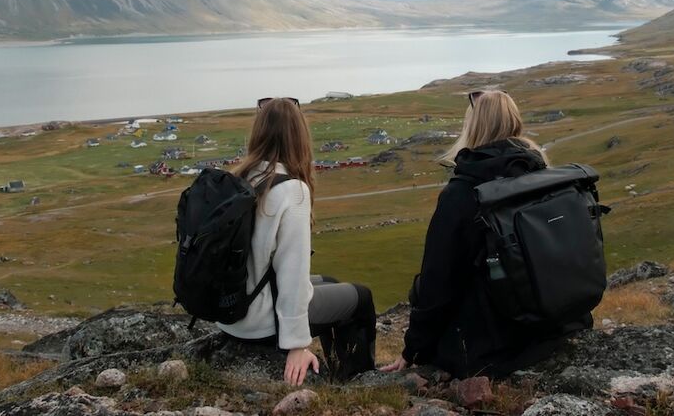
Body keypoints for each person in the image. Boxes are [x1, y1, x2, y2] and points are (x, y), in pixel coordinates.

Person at [381, 90, 589, 378]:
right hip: (556, 326)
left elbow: (437, 283)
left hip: (493, 348)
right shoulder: (542, 175)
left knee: (420, 287)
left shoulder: (463, 193)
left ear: (473, 127)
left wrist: (413, 351)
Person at [218, 97, 376, 384]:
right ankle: (355, 381)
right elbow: (292, 273)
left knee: (330, 281)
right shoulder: (292, 190)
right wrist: (297, 345)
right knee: (361, 298)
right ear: (299, 136)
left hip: (231, 313)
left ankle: (335, 367)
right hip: (261, 321)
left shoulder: (240, 178)